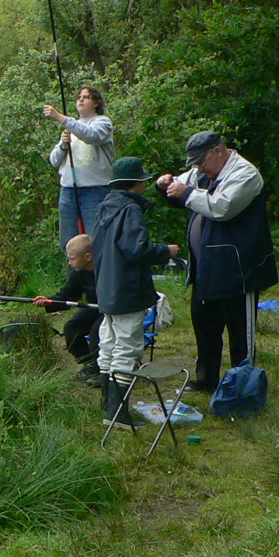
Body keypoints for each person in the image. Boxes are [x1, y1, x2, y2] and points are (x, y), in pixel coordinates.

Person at [155, 131, 278, 392]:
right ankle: (206, 380)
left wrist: (186, 193)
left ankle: (243, 384)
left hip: (238, 269)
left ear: (218, 151)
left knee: (240, 333)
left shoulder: (245, 174)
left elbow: (221, 207)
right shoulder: (204, 171)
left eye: (201, 161)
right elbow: (182, 187)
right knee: (205, 326)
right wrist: (165, 186)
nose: (199, 167)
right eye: (195, 163)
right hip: (206, 267)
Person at [91, 157, 180, 427]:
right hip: (126, 288)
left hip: (106, 288)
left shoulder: (104, 207)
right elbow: (137, 250)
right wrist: (167, 251)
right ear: (138, 183)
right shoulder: (130, 210)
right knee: (127, 348)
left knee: (109, 346)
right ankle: (117, 414)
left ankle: (108, 405)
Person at [43, 86, 114, 246]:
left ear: (96, 103)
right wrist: (63, 146)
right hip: (68, 191)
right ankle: (74, 271)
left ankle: (96, 272)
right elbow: (54, 161)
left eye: (86, 97)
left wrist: (61, 118)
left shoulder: (103, 122)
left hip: (95, 191)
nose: (81, 99)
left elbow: (91, 135)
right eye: (79, 97)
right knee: (70, 244)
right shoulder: (71, 127)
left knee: (95, 241)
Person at [33, 233, 103, 385]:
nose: (69, 263)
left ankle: (102, 370)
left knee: (97, 332)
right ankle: (90, 364)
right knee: (71, 328)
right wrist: (48, 302)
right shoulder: (77, 273)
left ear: (88, 256)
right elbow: (67, 296)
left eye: (72, 259)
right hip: (92, 308)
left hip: (112, 310)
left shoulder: (106, 269)